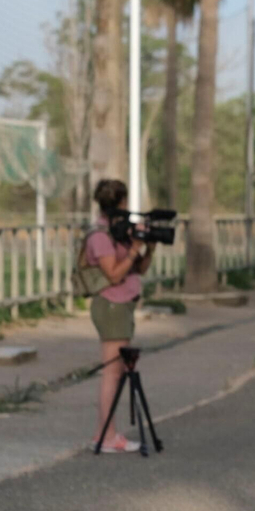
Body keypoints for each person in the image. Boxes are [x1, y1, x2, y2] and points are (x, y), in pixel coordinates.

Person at [83, 179, 154, 453]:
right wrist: (134, 247)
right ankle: (106, 436)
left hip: (123, 305)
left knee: (118, 371)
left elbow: (138, 269)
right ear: (121, 202)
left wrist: (149, 247)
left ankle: (105, 434)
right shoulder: (101, 235)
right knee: (112, 372)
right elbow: (113, 275)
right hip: (111, 306)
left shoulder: (119, 231)